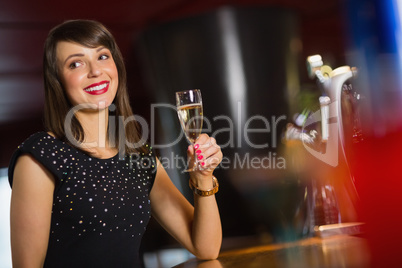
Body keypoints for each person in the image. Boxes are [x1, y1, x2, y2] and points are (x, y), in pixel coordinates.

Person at [8, 19, 222, 267]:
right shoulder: (40, 156)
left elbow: (206, 247)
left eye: (102, 56)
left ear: (116, 65)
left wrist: (203, 177)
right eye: (76, 63)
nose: (95, 71)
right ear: (58, 81)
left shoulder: (138, 155)